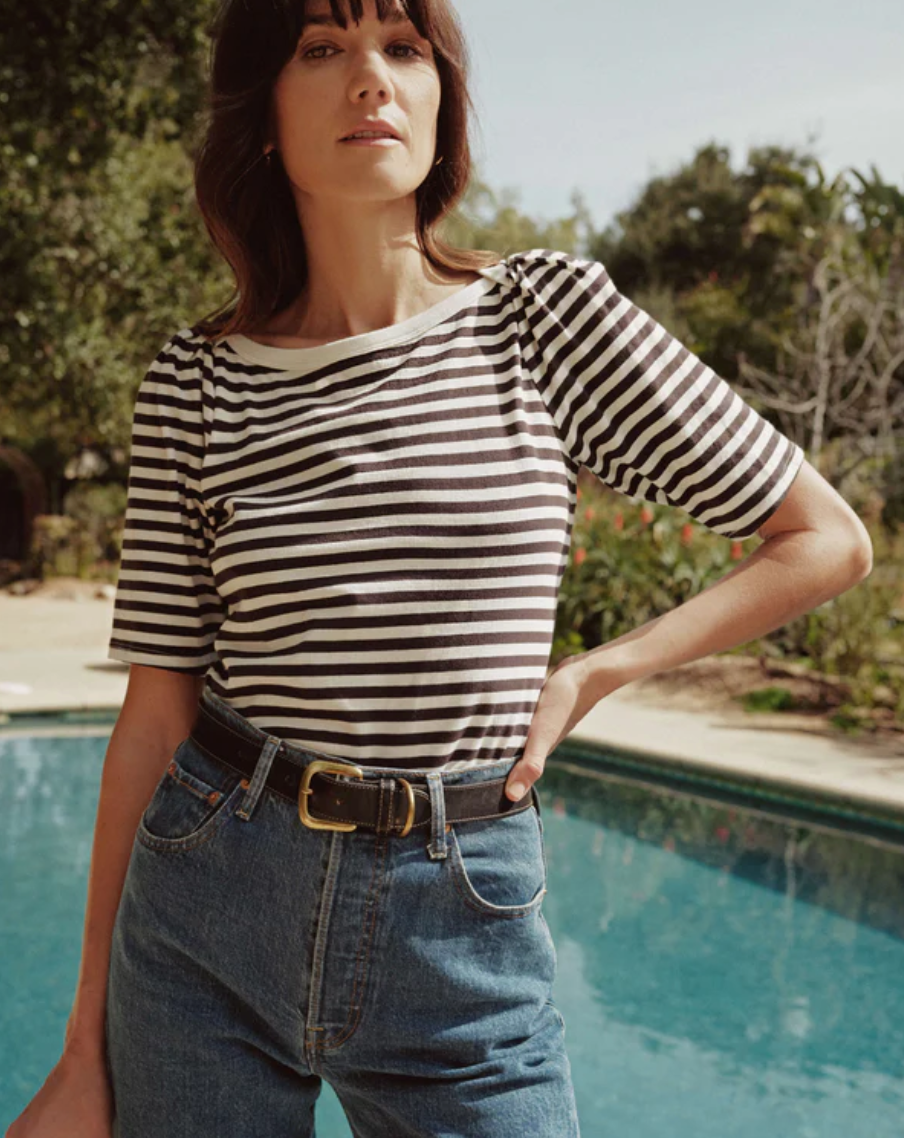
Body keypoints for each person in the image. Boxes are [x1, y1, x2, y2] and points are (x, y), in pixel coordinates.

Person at [7, 0, 873, 1135]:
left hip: (462, 920)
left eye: (403, 48)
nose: (370, 76)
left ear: (440, 99)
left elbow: (824, 538)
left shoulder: (543, 320)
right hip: (208, 903)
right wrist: (86, 1047)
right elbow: (158, 707)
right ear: (265, 114)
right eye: (322, 48)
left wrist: (592, 673)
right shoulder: (196, 381)